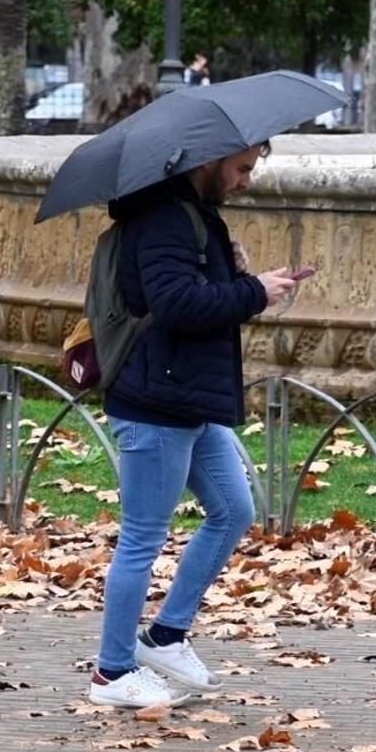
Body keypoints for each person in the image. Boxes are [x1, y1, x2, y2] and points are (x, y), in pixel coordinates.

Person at [89, 143, 300, 709]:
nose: (245, 181)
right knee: (141, 540)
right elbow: (176, 304)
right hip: (155, 401)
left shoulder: (191, 215)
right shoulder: (162, 218)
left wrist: (229, 270)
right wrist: (254, 292)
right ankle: (112, 673)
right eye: (242, 168)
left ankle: (166, 635)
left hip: (188, 397)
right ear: (209, 160)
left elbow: (191, 292)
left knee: (235, 510)